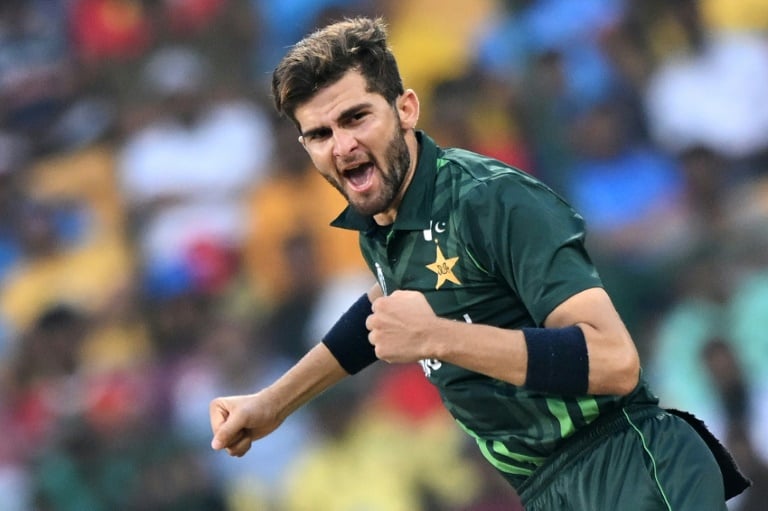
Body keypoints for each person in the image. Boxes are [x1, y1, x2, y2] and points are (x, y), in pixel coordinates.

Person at [209, 17, 750, 510]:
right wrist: (273, 403)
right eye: (320, 134)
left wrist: (438, 337)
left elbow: (615, 361)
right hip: (546, 490)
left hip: (626, 464)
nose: (342, 145)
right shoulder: (386, 223)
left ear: (405, 109)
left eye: (356, 118)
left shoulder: (491, 200)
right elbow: (382, 308)